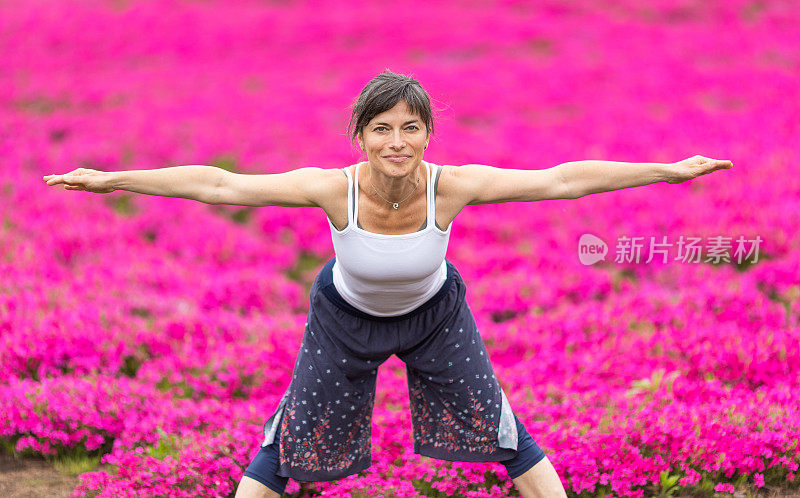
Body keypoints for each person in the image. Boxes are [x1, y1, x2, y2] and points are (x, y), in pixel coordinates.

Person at [43, 70, 732, 498]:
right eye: (381, 129)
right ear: (360, 137)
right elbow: (220, 184)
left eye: (410, 128)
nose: (396, 142)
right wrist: (110, 178)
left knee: (501, 425)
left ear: (428, 133)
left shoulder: (451, 185)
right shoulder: (333, 189)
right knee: (289, 438)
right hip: (344, 319)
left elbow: (561, 179)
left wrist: (666, 171)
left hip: (436, 316)